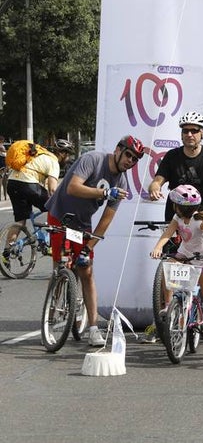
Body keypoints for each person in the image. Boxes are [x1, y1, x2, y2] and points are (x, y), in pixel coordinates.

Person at [44, 135, 141, 346]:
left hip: (81, 224)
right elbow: (73, 187)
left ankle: (94, 328)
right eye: (128, 155)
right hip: (60, 215)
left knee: (86, 269)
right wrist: (105, 191)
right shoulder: (93, 159)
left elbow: (107, 217)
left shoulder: (122, 181)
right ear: (118, 150)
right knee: (59, 264)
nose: (130, 161)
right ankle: (50, 313)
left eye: (135, 160)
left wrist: (89, 247)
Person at [149, 185, 203, 356]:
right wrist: (157, 248)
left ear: (178, 206)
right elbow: (167, 234)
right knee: (168, 265)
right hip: (185, 255)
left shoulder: (199, 221)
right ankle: (169, 305)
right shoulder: (177, 219)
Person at [146, 111, 203, 226]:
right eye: (185, 131)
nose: (189, 134)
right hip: (175, 217)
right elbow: (157, 181)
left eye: (194, 130)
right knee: (170, 243)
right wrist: (154, 189)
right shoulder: (171, 155)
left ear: (202, 132)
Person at [4, 140, 61, 247]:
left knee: (20, 221)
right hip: (28, 184)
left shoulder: (35, 155)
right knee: (55, 206)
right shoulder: (53, 161)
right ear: (63, 154)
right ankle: (51, 243)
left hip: (12, 183)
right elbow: (52, 189)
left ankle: (7, 252)